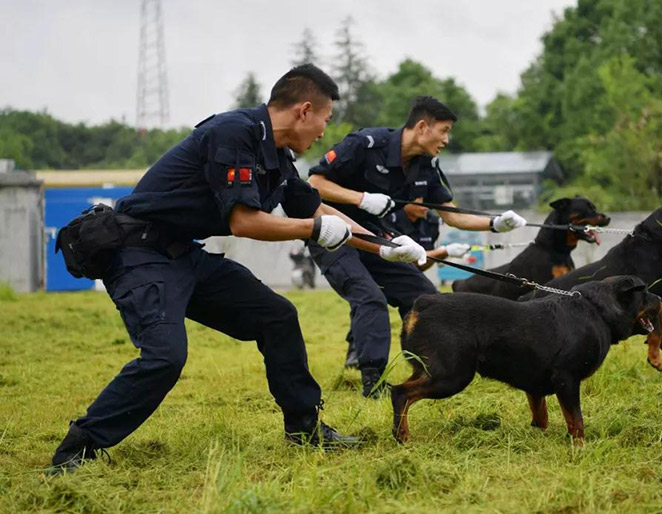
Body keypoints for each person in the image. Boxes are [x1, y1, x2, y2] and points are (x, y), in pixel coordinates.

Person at [48, 64, 428, 474]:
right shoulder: (233, 133)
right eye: (325, 119)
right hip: (139, 256)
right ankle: (77, 448)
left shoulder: (277, 159)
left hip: (181, 254)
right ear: (304, 110)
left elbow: (314, 207)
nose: (323, 132)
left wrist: (384, 246)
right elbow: (245, 222)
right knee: (165, 357)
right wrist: (315, 230)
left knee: (277, 316)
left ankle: (305, 428)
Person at [307, 95, 527, 397]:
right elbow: (315, 183)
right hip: (334, 233)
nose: (446, 139)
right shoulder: (366, 144)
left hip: (376, 236)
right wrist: (360, 198)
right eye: (444, 130)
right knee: (369, 297)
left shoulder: (426, 165)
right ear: (423, 126)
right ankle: (372, 381)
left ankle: (430, 367)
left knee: (423, 298)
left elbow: (450, 213)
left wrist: (493, 223)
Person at [343, 205, 471, 368]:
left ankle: (428, 354)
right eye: (418, 199)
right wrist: (442, 251)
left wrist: (442, 253)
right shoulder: (387, 217)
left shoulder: (430, 223)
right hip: (374, 260)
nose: (424, 204)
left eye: (426, 199)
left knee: (427, 295)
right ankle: (358, 354)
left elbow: (418, 265)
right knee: (370, 298)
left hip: (398, 268)